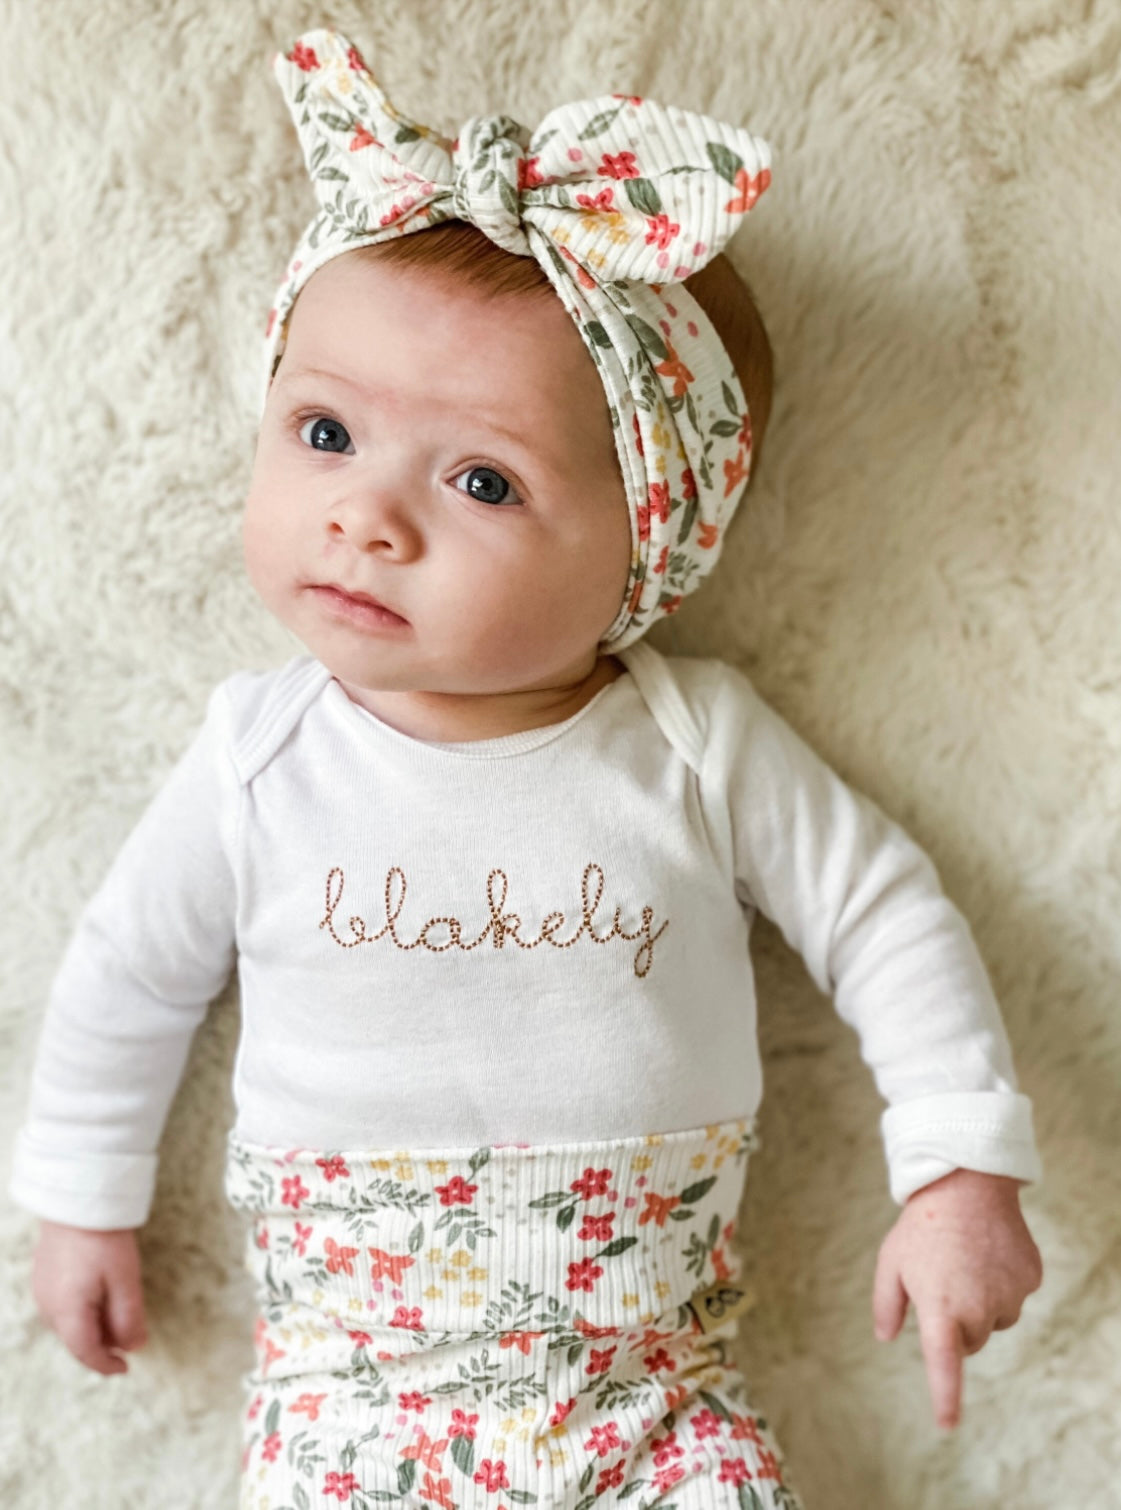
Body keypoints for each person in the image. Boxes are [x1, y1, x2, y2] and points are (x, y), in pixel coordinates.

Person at [9, 28, 1044, 1510]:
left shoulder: (695, 742)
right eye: (323, 431)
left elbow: (882, 915)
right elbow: (125, 979)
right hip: (348, 1402)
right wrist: (82, 1207)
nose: (367, 515)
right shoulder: (260, 755)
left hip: (653, 1398)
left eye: (481, 479)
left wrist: (957, 1171)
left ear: (654, 542)